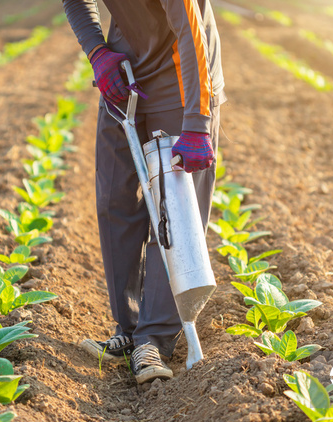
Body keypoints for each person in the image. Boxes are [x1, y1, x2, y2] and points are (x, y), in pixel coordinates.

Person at [62, 0, 225, 384]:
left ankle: (154, 336)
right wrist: (98, 51)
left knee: (173, 209)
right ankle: (129, 326)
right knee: (113, 197)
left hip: (182, 74)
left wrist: (198, 122)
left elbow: (191, 32)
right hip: (125, 67)